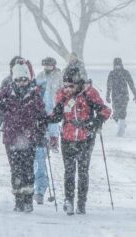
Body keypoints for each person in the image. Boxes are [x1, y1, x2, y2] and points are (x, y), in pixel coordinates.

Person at [47, 66, 111, 215]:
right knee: (69, 172)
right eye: (65, 85)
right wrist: (44, 120)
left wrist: (95, 123)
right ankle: (69, 201)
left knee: (83, 172)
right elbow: (57, 115)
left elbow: (105, 110)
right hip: (68, 138)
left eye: (71, 86)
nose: (68, 89)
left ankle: (81, 203)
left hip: (85, 139)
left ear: (78, 83)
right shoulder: (63, 96)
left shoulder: (89, 93)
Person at [0, 63, 47, 213]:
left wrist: (42, 129)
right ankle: (18, 199)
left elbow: (42, 114)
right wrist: (0, 105)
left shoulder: (34, 94)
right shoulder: (6, 93)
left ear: (28, 79)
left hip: (29, 137)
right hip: (12, 137)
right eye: (18, 79)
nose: (22, 82)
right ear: (14, 79)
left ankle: (28, 200)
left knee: (28, 168)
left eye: (24, 79)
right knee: (15, 169)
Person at [33, 57, 62, 204]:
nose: (47, 67)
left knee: (41, 157)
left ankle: (40, 189)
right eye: (45, 65)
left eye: (50, 65)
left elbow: (61, 94)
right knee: (37, 158)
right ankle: (35, 188)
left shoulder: (59, 76)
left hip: (52, 114)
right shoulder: (40, 76)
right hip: (39, 117)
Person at [106, 57, 136, 136]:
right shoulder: (111, 73)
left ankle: (121, 130)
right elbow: (108, 86)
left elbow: (131, 84)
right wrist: (107, 96)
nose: (117, 66)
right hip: (115, 97)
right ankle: (122, 124)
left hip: (124, 96)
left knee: (122, 113)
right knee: (116, 115)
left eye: (119, 64)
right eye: (116, 65)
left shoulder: (125, 72)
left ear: (121, 64)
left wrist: (135, 94)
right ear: (114, 65)